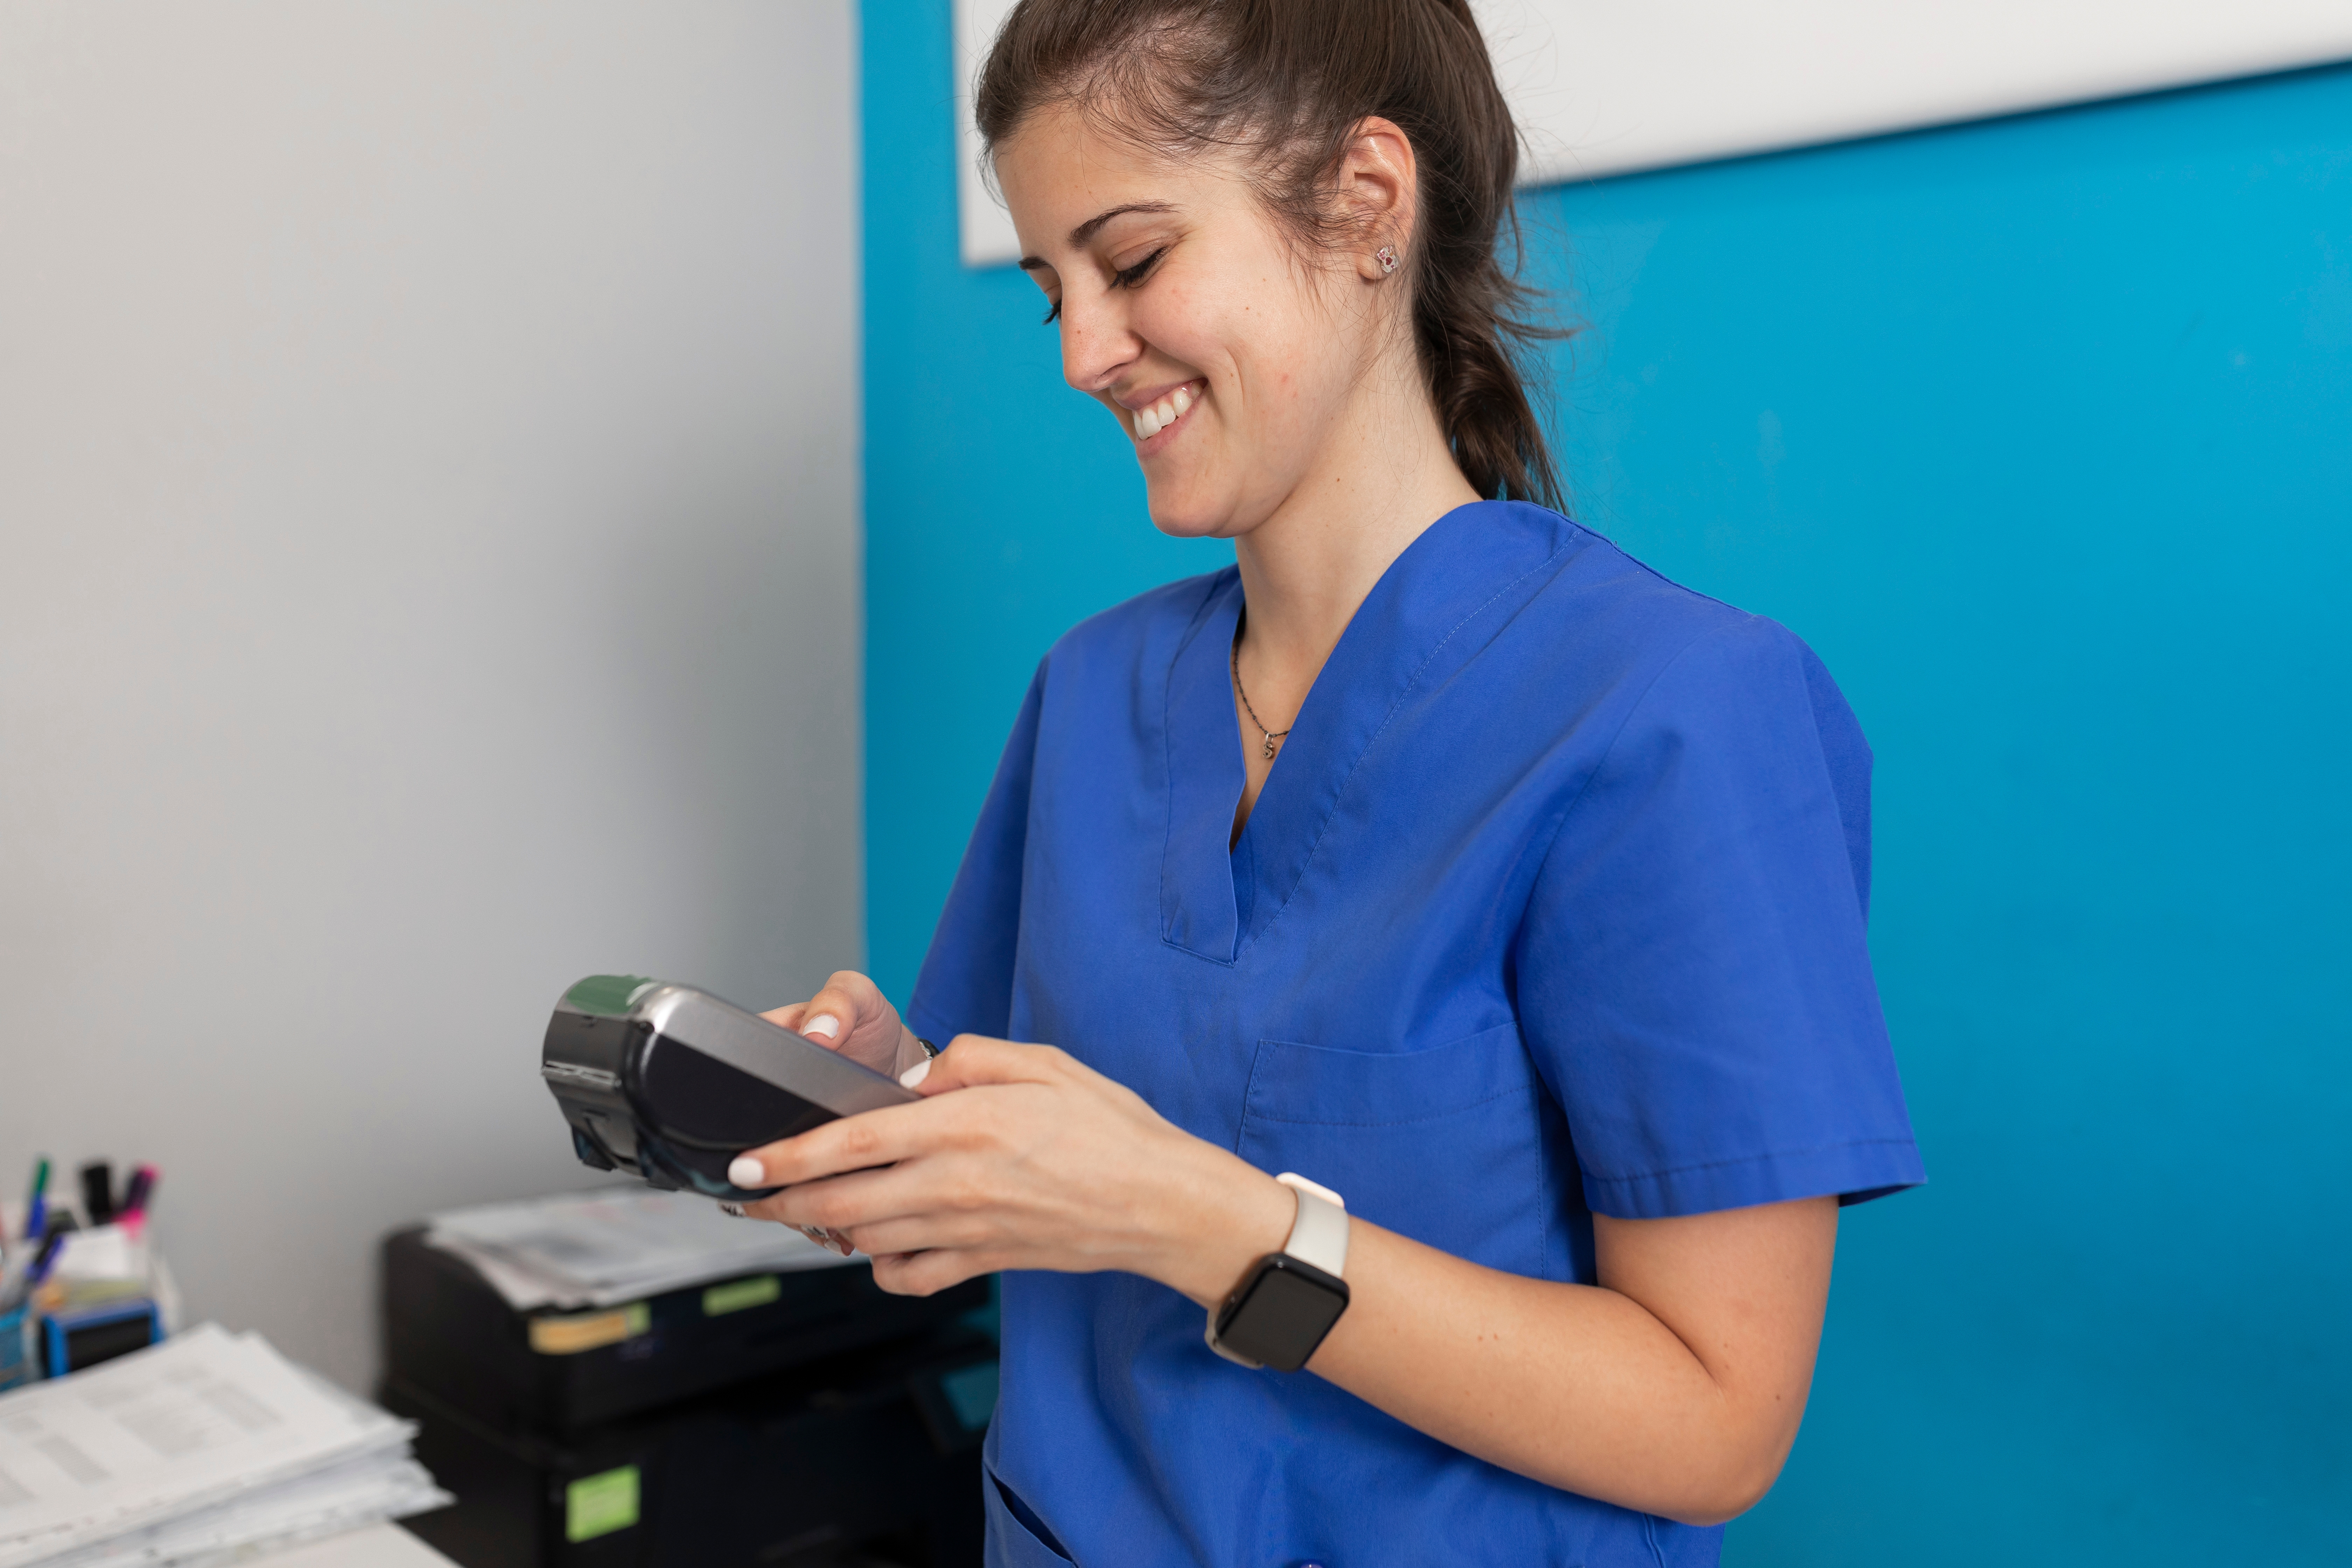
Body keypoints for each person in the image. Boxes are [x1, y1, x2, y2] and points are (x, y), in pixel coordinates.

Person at [730, 1, 1921, 1562]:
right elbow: (1030, 1183)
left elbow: (1714, 1419)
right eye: (1052, 293)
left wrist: (1199, 1218)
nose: (1086, 351)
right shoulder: (1095, 694)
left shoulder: (1673, 715)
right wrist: (889, 1103)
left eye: (1134, 260)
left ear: (1366, 203)